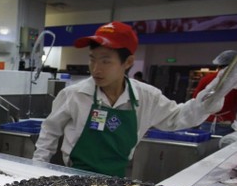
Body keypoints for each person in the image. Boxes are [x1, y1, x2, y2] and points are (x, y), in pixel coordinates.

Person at [33, 21, 234, 177]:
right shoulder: (74, 95)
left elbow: (179, 118)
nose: (96, 69)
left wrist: (212, 96)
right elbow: (50, 131)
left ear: (127, 62)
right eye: (92, 59)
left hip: (116, 182)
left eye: (105, 61)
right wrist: (37, 170)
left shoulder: (147, 97)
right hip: (73, 178)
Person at [192, 49, 237, 136]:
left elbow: (195, 99)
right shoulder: (235, 82)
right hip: (226, 123)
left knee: (205, 146)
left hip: (206, 120)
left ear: (219, 64)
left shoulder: (207, 79)